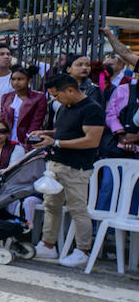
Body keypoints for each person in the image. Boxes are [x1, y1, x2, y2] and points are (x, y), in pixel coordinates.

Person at [34, 73, 105, 269]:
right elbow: (66, 131)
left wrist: (55, 141)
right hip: (57, 163)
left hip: (77, 167)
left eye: (57, 95)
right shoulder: (65, 107)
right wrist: (45, 134)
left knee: (77, 209)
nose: (55, 100)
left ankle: (82, 250)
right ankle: (48, 245)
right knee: (51, 205)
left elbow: (92, 140)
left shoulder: (92, 109)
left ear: (71, 90)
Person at [0, 66, 48, 148]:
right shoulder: (6, 97)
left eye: (20, 79)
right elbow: (2, 119)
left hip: (27, 137)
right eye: (13, 79)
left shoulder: (39, 97)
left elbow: (36, 122)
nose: (16, 82)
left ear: (29, 80)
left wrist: (27, 143)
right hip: (7, 137)